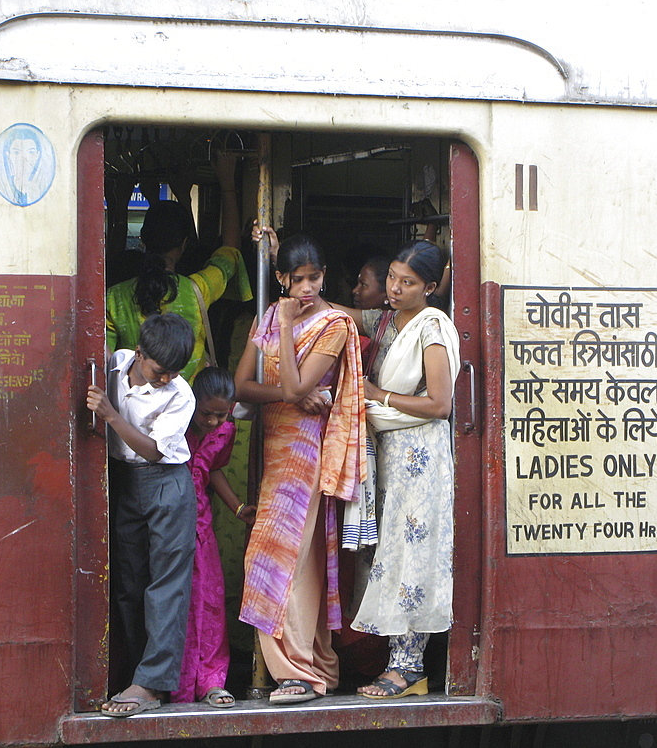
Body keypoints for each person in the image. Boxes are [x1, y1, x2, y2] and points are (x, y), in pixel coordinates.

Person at [235, 233, 366, 705]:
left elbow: (294, 385)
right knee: (300, 557)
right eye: (297, 280)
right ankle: (315, 666)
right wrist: (288, 393)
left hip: (309, 454)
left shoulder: (334, 325)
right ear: (281, 279)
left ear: (324, 275)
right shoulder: (267, 315)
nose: (307, 287)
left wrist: (288, 328)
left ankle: (297, 674)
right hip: (275, 449)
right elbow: (242, 387)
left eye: (314, 278)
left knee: (275, 557)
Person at [343, 240, 460, 700]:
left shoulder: (432, 328)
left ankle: (408, 668)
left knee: (414, 555)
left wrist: (378, 395)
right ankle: (395, 661)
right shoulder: (388, 319)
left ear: (430, 287)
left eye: (407, 282)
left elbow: (439, 404)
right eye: (392, 276)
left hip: (420, 455)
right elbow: (338, 311)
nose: (394, 287)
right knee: (388, 552)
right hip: (391, 451)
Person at [86, 313, 198, 717]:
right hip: (126, 483)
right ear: (139, 353)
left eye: (173, 372)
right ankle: (138, 676)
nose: (166, 378)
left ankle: (151, 683)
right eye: (159, 370)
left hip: (167, 483)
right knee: (130, 584)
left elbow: (154, 449)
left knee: (166, 585)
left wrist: (110, 415)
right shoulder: (112, 364)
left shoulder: (181, 394)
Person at [106, 152, 252, 382]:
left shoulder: (114, 297)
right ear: (184, 244)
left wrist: (118, 202)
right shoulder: (198, 290)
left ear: (142, 239)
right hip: (187, 410)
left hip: (132, 410)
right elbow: (230, 251)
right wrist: (227, 184)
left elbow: (106, 359)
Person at [173, 366, 256, 708]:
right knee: (177, 601)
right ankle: (173, 682)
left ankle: (210, 681)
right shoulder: (174, 420)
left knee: (208, 599)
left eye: (221, 414)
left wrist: (238, 509)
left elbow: (212, 469)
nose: (212, 421)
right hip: (169, 519)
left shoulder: (225, 431)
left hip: (201, 522)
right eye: (206, 413)